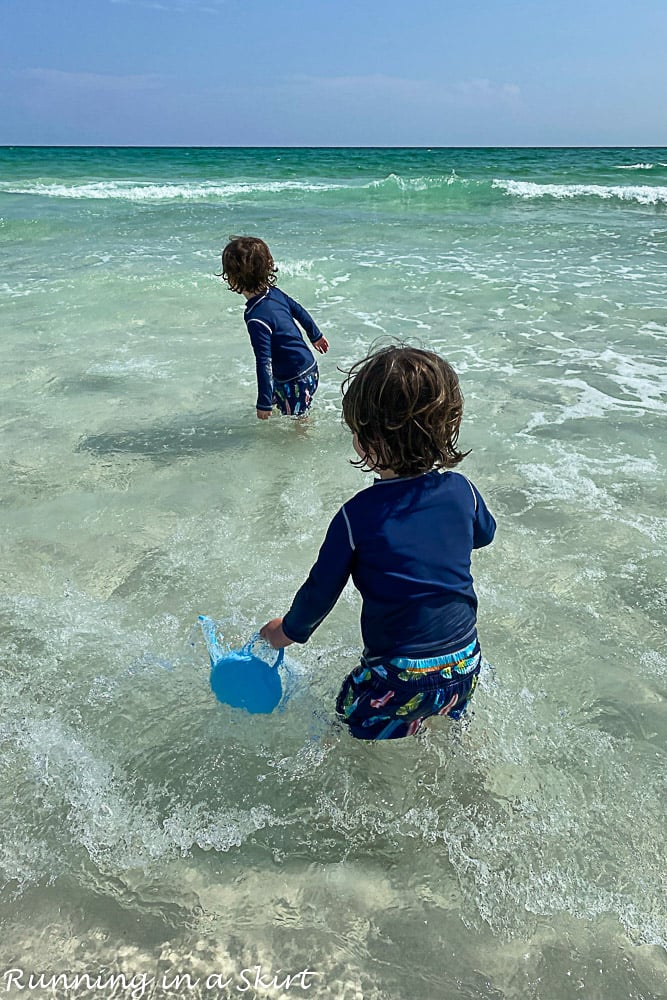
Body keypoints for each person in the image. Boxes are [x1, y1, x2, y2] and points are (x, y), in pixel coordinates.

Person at [260, 344, 496, 740]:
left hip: (398, 678)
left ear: (368, 441)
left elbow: (320, 594)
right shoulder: (463, 491)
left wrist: (285, 632)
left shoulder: (357, 516)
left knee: (343, 725)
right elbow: (483, 534)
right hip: (465, 666)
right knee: (443, 722)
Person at [220, 236, 329, 419]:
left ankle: (300, 442)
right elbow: (299, 311)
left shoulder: (256, 318)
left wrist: (262, 401)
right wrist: (315, 335)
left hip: (294, 380)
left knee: (298, 420)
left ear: (232, 278)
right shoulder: (274, 293)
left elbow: (264, 361)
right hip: (309, 367)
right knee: (290, 409)